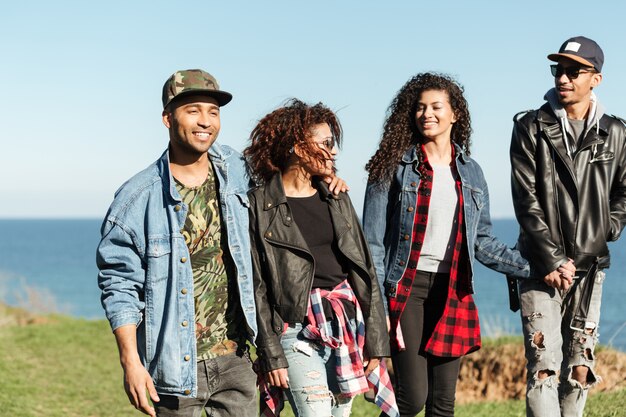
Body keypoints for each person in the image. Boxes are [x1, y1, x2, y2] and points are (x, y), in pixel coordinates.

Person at [363, 72, 529, 417]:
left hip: (453, 289)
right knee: (412, 398)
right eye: (420, 108)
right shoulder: (392, 166)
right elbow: (373, 244)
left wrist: (534, 267)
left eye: (436, 106)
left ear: (455, 114)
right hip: (406, 290)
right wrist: (375, 306)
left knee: (443, 402)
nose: (427, 114)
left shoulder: (472, 173)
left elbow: (481, 241)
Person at [245, 99, 396, 417]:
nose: (335, 151)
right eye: (326, 143)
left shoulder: (337, 197)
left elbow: (364, 270)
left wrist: (375, 341)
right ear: (299, 148)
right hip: (295, 330)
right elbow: (256, 285)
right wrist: (270, 352)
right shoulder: (260, 205)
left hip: (345, 322)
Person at [509, 36, 626, 417]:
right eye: (559, 70)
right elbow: (526, 200)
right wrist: (554, 259)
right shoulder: (531, 126)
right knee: (544, 368)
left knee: (580, 369)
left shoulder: (617, 132)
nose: (564, 77)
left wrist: (606, 227)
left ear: (597, 78)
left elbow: (624, 192)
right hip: (540, 267)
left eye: (574, 71)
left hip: (591, 268)